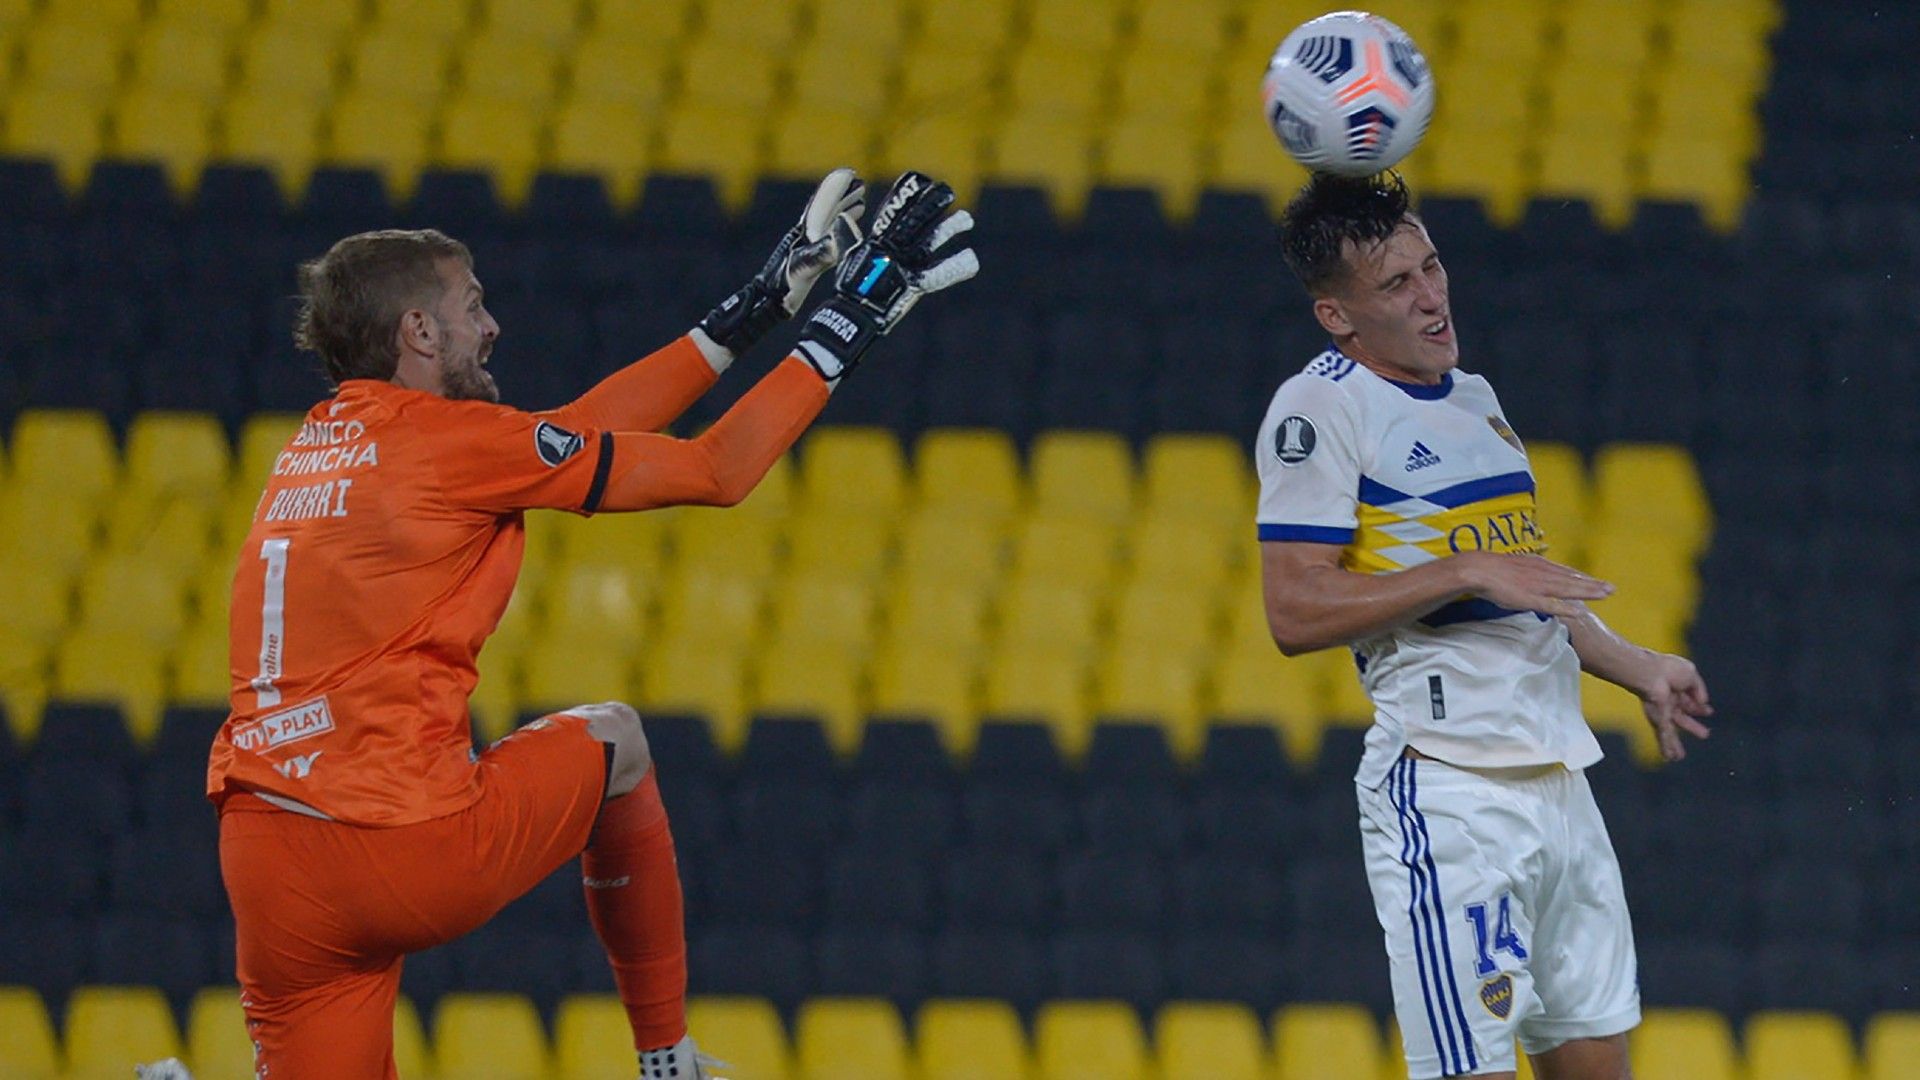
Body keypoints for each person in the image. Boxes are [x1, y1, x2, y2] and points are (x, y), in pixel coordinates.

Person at [200, 168, 978, 1077]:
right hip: (399, 846)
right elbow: (718, 471)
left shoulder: (314, 447)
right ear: (418, 330)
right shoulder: (450, 445)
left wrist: (761, 305)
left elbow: (573, 432)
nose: (489, 327)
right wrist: (856, 315)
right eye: (471, 305)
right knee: (617, 743)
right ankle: (666, 1056)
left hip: (267, 863)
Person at [1254, 172, 1712, 1080]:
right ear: (1335, 316)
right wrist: (1461, 568)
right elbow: (1294, 609)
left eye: (1432, 267)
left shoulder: (1475, 399)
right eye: (1395, 285)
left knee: (1597, 1065)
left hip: (1557, 781)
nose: (1431, 297)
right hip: (1451, 793)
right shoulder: (1321, 408)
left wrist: (1637, 666)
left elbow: (1524, 596)